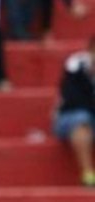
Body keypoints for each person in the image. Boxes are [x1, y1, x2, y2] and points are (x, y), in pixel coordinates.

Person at [53, 36, 95, 187]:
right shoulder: (75, 65)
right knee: (81, 121)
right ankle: (88, 174)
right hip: (69, 115)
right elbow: (73, 99)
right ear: (90, 51)